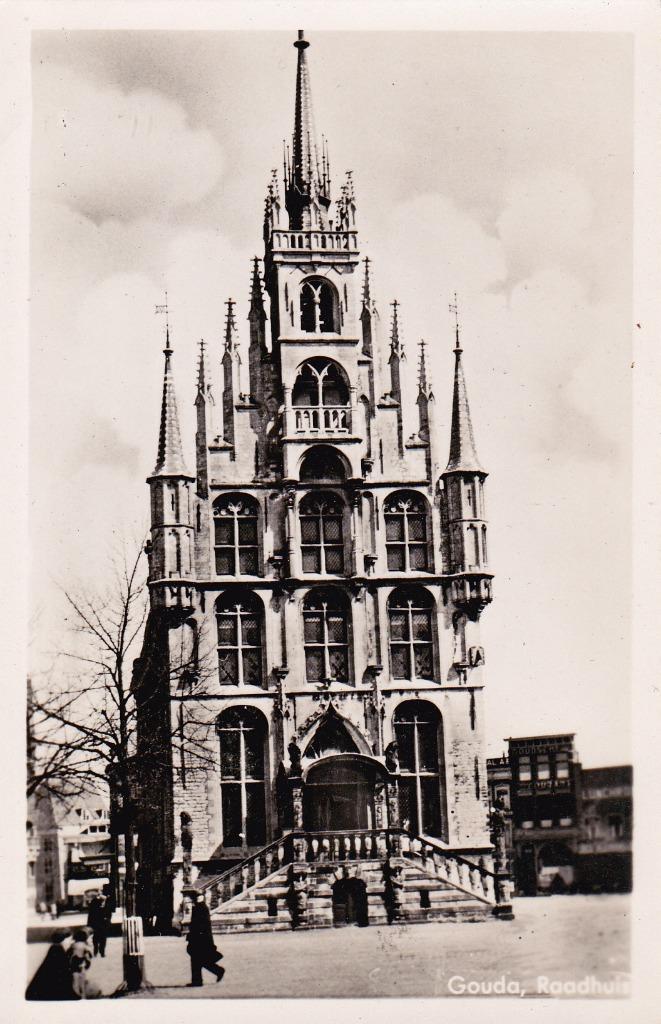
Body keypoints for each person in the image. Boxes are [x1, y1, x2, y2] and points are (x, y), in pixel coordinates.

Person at [26, 928, 79, 1001]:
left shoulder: (55, 950)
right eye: (70, 939)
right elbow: (63, 983)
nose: (72, 942)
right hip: (49, 995)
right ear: (63, 940)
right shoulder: (59, 954)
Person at [186, 892, 225, 987]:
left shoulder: (201, 908)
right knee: (198, 959)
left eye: (195, 898)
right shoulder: (198, 907)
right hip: (198, 938)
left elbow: (202, 925)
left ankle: (200, 979)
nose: (194, 900)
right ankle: (200, 979)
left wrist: (194, 935)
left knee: (198, 959)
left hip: (201, 939)